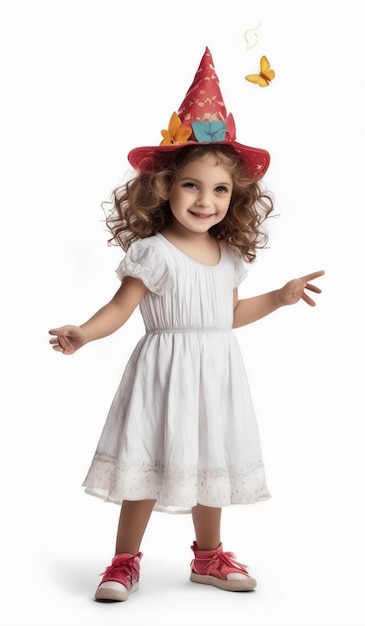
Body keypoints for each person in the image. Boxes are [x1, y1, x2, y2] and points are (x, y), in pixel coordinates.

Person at [49, 47, 324, 602]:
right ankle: (124, 561)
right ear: (164, 188)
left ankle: (208, 558)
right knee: (146, 465)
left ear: (235, 196)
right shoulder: (153, 252)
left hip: (217, 372)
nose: (206, 199)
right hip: (163, 371)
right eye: (192, 185)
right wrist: (84, 330)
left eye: (220, 189)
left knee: (211, 461)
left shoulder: (228, 258)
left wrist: (280, 296)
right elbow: (122, 308)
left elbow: (228, 316)